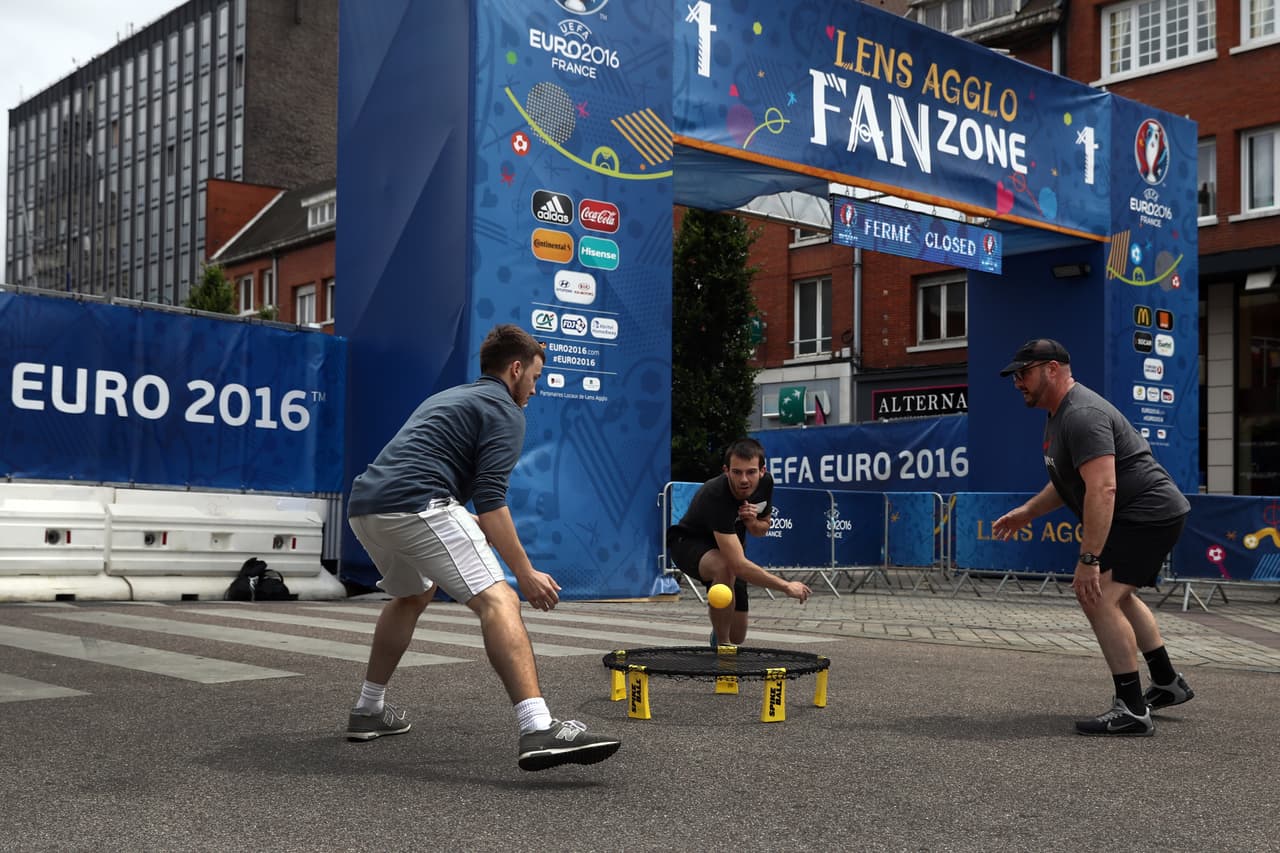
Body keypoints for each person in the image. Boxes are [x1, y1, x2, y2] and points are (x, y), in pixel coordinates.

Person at [343, 323, 621, 771]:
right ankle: (537, 727)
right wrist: (525, 574)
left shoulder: (451, 397)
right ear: (516, 369)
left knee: (414, 594)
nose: (535, 390)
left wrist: (464, 520)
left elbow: (424, 466)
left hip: (367, 507)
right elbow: (491, 500)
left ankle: (368, 708)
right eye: (535, 378)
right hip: (419, 504)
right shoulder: (505, 410)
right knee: (500, 600)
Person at [991, 339, 1194, 737]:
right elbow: (1068, 482)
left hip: (1147, 514)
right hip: (1143, 514)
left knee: (1097, 595)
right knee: (1119, 596)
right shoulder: (1059, 415)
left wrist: (1089, 559)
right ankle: (1167, 682)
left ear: (1052, 369)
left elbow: (1103, 488)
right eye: (1015, 375)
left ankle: (1132, 709)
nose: (1017, 382)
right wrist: (1027, 512)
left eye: (1024, 373)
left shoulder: (1082, 415)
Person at [666, 438, 812, 647]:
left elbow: (761, 529)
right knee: (726, 567)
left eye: (751, 472)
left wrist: (752, 521)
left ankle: (721, 632)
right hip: (688, 543)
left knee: (738, 635)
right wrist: (786, 586)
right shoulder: (716, 494)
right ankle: (723, 648)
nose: (744, 479)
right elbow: (738, 565)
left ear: (762, 471)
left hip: (728, 548)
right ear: (726, 471)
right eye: (737, 472)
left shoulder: (766, 483)